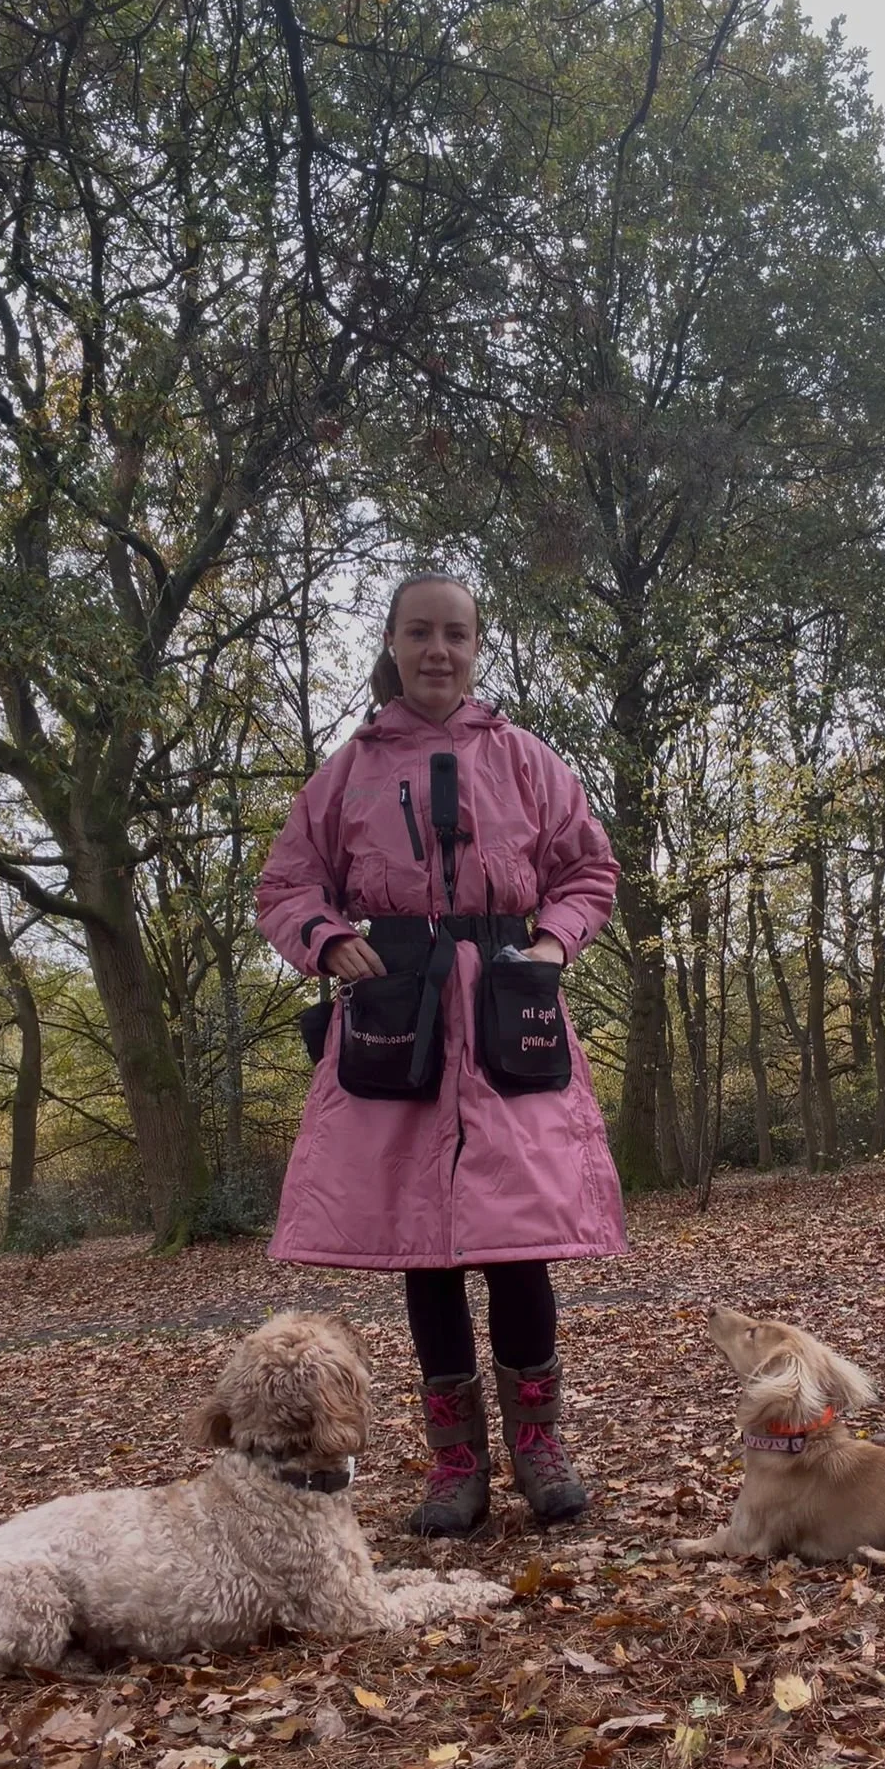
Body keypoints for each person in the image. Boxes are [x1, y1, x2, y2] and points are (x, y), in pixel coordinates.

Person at [256, 573, 627, 1536]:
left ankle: (540, 1448)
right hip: (398, 1017)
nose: (437, 651)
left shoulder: (527, 759)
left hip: (509, 1013)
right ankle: (455, 1463)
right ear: (392, 641)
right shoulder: (347, 771)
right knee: (424, 1246)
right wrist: (328, 939)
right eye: (419, 632)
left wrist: (551, 946)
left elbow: (589, 869)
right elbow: (287, 886)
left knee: (519, 1240)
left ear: (475, 646)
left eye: (455, 634)